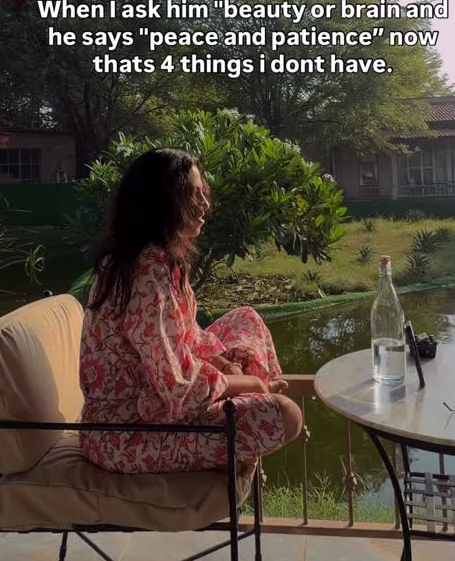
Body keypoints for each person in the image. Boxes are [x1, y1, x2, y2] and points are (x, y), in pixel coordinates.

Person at [79, 148, 303, 474]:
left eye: (203, 195)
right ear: (161, 202)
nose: (204, 206)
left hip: (157, 404)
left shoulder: (158, 259)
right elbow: (176, 384)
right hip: (127, 432)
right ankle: (256, 397)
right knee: (286, 415)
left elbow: (188, 336)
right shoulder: (145, 274)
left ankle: (245, 399)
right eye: (192, 196)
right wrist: (251, 383)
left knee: (245, 318)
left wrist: (226, 366)